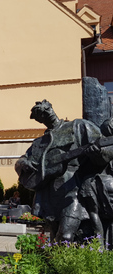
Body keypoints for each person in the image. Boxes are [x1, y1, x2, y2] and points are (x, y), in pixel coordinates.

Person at [15, 99, 103, 242]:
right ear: (39, 120)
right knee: (55, 235)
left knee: (65, 236)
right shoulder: (39, 143)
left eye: (47, 109)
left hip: (73, 191)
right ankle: (59, 263)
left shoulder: (77, 126)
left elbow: (104, 149)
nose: (46, 113)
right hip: (49, 195)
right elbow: (22, 160)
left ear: (52, 108)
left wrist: (97, 153)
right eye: (41, 114)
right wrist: (23, 163)